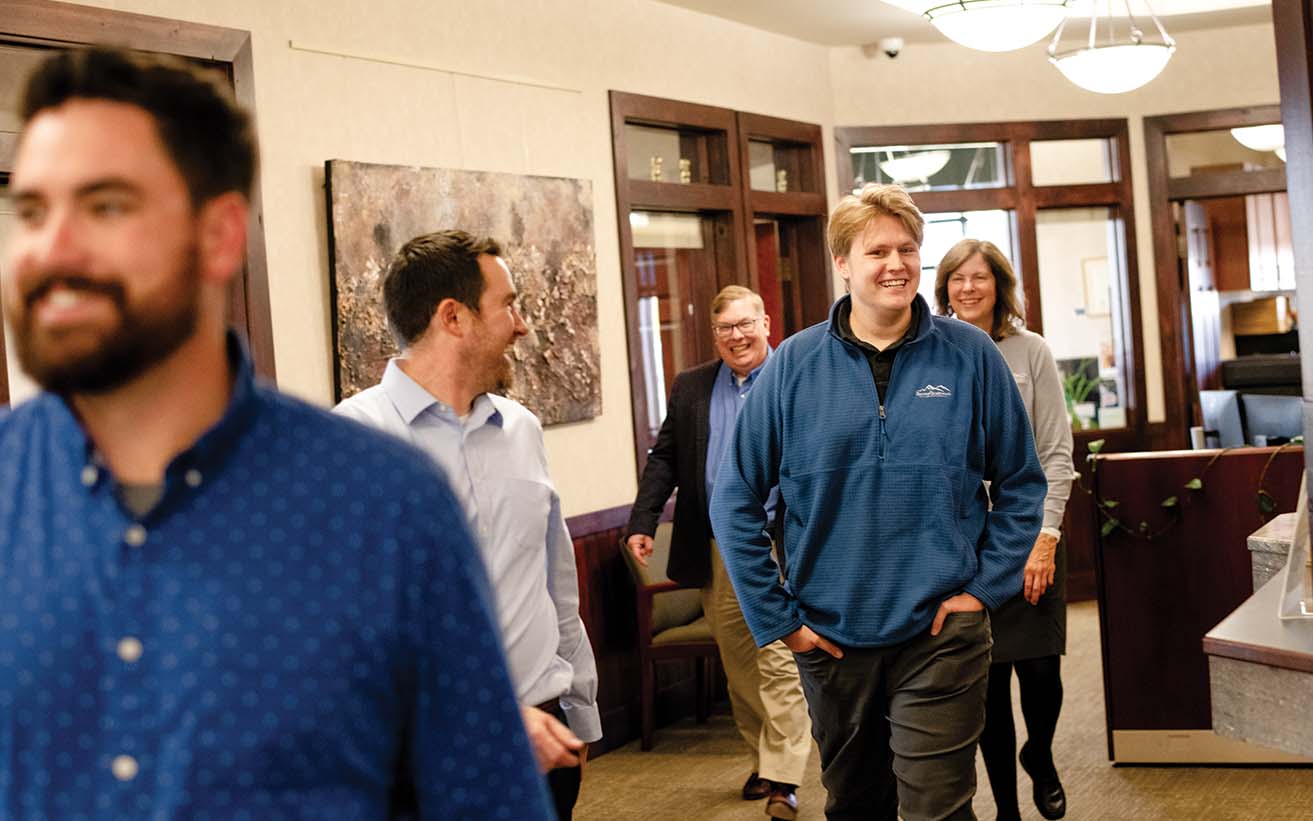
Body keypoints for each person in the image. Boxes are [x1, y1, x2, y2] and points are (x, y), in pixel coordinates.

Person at [0, 46, 551, 819]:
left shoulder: (382, 505)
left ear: (220, 235)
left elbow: (484, 799)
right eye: (30, 211)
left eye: (106, 206)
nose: (51, 247)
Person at [710, 183, 1047, 821]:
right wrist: (779, 620)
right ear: (843, 263)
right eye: (877, 252)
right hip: (830, 638)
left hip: (942, 633)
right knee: (856, 805)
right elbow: (734, 499)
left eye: (907, 249)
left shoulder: (970, 355)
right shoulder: (793, 365)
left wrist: (982, 591)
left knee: (938, 808)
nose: (896, 264)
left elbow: (1022, 482)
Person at [334, 229, 602, 820]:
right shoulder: (352, 440)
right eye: (508, 305)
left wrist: (580, 714)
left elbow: (555, 585)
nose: (522, 326)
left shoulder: (522, 429)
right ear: (453, 317)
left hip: (545, 745)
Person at [625, 285, 811, 821]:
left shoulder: (796, 377)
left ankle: (784, 776)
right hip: (715, 546)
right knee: (740, 663)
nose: (737, 336)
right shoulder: (692, 386)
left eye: (745, 324)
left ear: (766, 323)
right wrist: (642, 521)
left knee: (778, 657)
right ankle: (763, 759)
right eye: (725, 328)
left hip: (780, 542)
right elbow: (664, 458)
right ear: (714, 335)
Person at [935, 239, 1075, 821]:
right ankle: (1008, 812)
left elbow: (1056, 452)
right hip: (968, 544)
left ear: (999, 286)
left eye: (979, 277)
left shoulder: (1029, 350)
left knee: (1041, 671)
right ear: (944, 288)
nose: (968, 288)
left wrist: (1046, 538)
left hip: (1032, 533)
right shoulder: (932, 353)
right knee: (987, 685)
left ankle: (1039, 754)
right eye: (957, 278)